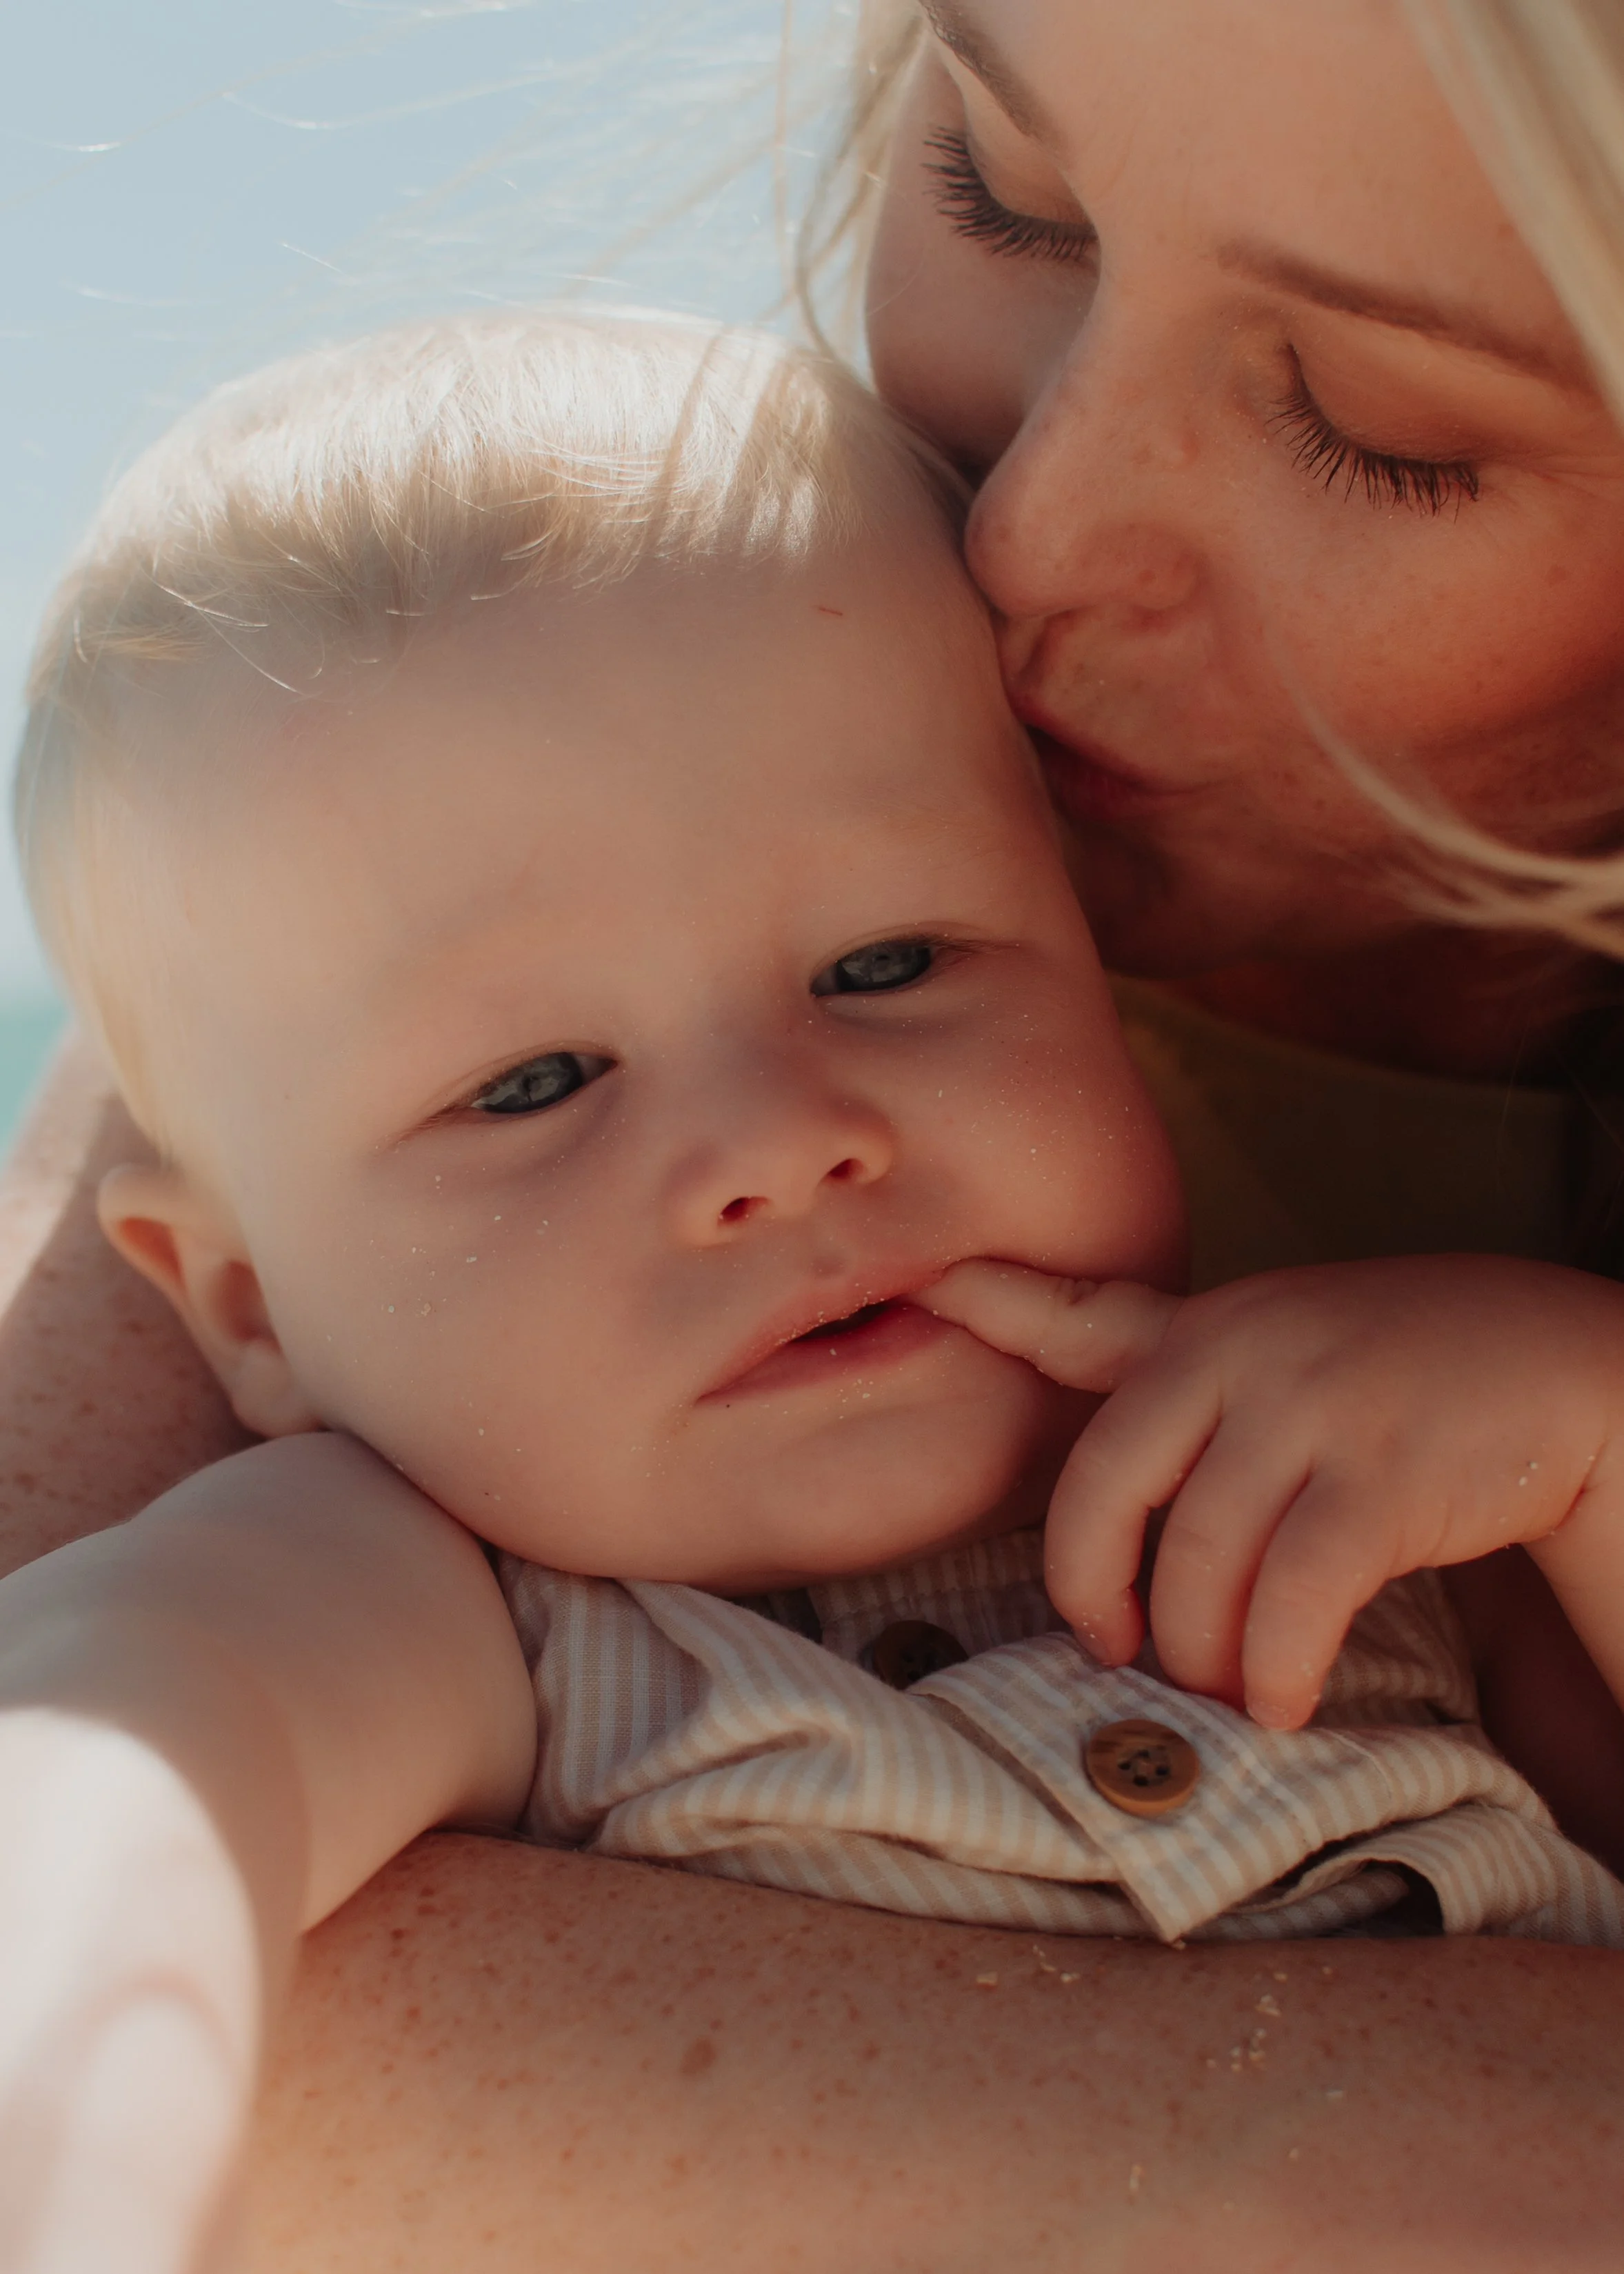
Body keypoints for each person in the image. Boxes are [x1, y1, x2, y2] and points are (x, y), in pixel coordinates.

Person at [5, 3, 1624, 2266]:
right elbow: (122, 1746)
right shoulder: (431, 1593)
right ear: (256, 1306)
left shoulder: (1362, 1502)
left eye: (886, 971)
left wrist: (1580, 1423)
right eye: (1004, 193)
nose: (781, 1145)